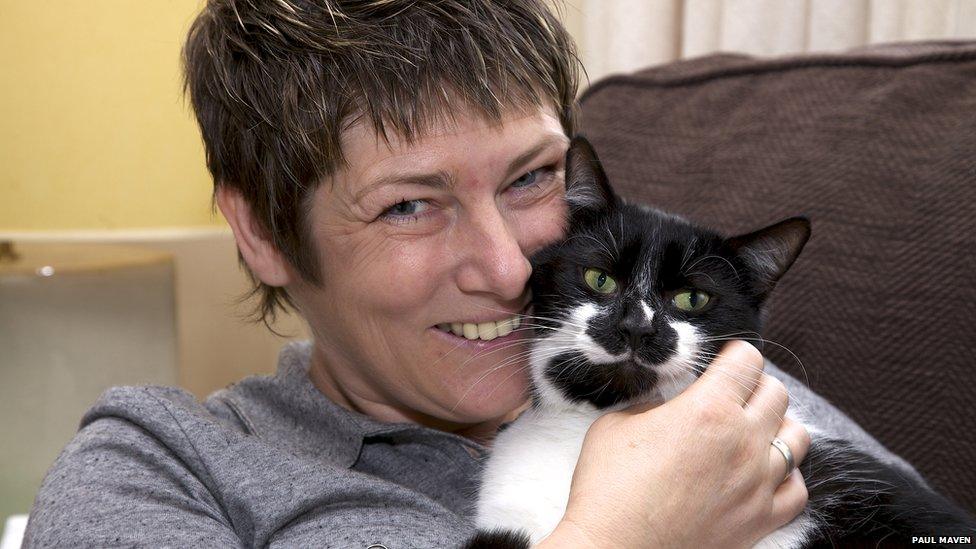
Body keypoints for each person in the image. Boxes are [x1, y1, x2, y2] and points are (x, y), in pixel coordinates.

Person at [24, 1, 914, 547]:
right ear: (261, 233)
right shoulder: (160, 465)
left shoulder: (700, 382)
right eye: (410, 204)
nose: (507, 265)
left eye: (531, 178)